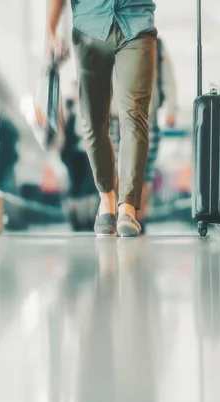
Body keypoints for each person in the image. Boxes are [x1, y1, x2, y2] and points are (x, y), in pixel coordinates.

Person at [46, 0, 157, 237]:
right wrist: (50, 31)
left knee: (135, 118)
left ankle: (127, 209)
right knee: (92, 122)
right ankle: (107, 200)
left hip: (136, 24)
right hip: (90, 27)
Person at [110, 36, 177, 233]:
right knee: (116, 167)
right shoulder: (112, 39)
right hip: (116, 115)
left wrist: (171, 108)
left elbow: (168, 76)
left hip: (148, 115)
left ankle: (140, 217)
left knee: (145, 170)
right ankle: (120, 213)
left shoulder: (156, 43)